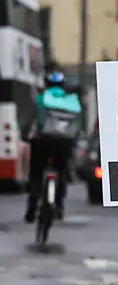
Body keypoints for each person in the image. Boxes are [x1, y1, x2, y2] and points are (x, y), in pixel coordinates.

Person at [24, 71, 83, 223]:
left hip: (44, 141)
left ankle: (32, 208)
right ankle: (58, 207)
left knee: (36, 172)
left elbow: (34, 121)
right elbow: (77, 125)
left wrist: (26, 135)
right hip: (65, 143)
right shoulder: (72, 101)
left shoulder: (41, 98)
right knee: (61, 172)